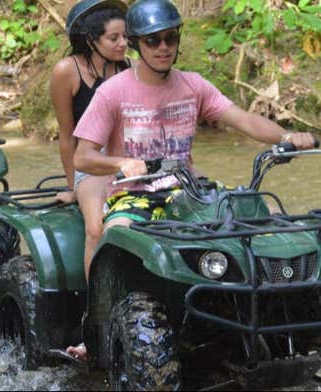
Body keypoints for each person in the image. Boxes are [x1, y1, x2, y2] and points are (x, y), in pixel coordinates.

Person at [70, 0, 316, 361]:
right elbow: (82, 156)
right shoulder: (113, 92)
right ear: (137, 43)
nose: (164, 47)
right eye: (153, 40)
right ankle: (95, 331)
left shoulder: (194, 85)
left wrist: (286, 136)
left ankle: (263, 313)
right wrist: (123, 162)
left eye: (170, 38)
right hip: (135, 195)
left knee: (249, 223)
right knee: (114, 237)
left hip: (189, 192)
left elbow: (244, 120)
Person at [51, 0, 131, 282]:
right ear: (91, 40)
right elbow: (66, 135)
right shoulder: (66, 71)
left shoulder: (128, 69)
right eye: (114, 38)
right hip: (91, 163)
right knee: (96, 228)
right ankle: (95, 314)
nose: (123, 44)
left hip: (125, 161)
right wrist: (74, 187)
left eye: (125, 36)